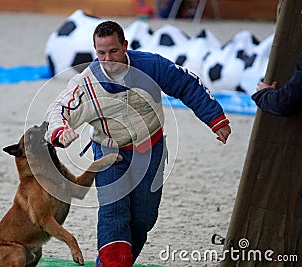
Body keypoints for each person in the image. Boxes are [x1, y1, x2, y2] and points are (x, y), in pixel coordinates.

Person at [45, 20, 231, 266]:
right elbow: (59, 110)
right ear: (94, 51)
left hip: (150, 148)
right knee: (114, 213)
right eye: (101, 53)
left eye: (113, 51)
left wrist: (215, 119)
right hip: (109, 152)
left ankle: (123, 260)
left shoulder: (150, 65)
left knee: (143, 218)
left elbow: (187, 84)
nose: (108, 58)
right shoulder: (86, 84)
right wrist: (61, 131)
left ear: (125, 45)